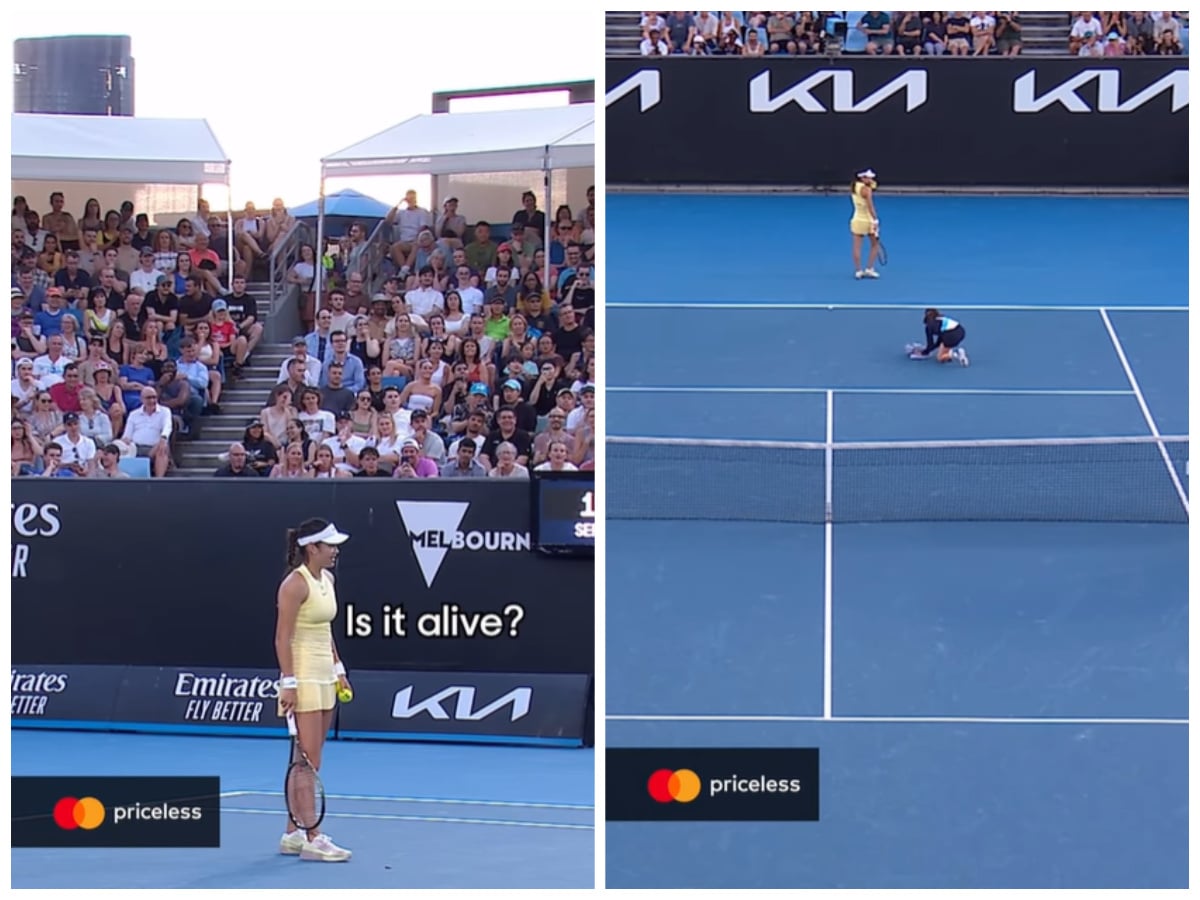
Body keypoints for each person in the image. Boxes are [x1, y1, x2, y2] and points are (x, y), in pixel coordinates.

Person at [275, 518, 354, 862]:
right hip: (303, 676)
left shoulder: (329, 579)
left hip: (325, 674)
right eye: (330, 545)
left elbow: (326, 631)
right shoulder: (294, 584)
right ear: (312, 549)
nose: (335, 551)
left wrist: (339, 670)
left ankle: (292, 833)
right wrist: (289, 683)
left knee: (305, 758)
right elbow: (282, 637)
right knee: (308, 761)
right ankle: (313, 838)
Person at [849, 169, 882, 280]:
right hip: (868, 221)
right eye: (868, 177)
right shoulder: (866, 190)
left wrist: (870, 184)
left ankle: (858, 271)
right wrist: (875, 219)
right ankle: (869, 269)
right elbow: (870, 206)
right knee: (875, 244)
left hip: (857, 220)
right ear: (862, 178)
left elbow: (873, 185)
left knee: (856, 247)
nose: (871, 179)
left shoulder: (854, 187)